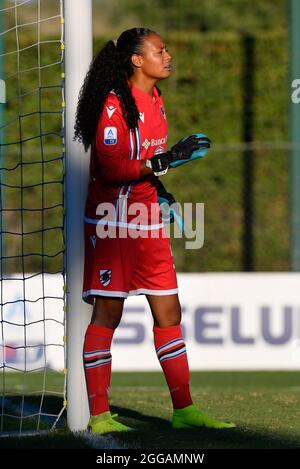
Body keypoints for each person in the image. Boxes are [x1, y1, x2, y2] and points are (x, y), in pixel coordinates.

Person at [74, 27, 235, 434]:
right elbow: (111, 169)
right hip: (112, 223)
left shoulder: (157, 100)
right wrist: (168, 161)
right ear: (136, 60)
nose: (168, 55)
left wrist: (160, 188)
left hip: (147, 222)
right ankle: (99, 415)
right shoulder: (113, 106)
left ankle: (185, 410)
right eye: (159, 50)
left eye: (166, 49)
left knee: (169, 312)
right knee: (108, 314)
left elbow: (147, 162)